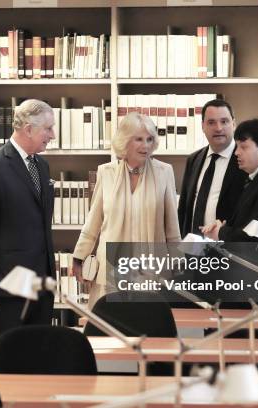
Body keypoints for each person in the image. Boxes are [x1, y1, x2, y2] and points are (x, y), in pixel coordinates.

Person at [0, 99, 56, 345]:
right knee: (8, 355)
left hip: (42, 282)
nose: (53, 135)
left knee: (39, 356)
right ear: (28, 129)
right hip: (8, 284)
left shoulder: (42, 165)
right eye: (48, 129)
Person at [72, 112, 181, 305]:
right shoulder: (106, 172)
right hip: (111, 268)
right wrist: (78, 257)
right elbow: (93, 223)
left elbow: (172, 230)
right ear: (125, 141)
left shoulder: (165, 172)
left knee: (148, 329)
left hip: (151, 270)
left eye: (149, 139)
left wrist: (178, 266)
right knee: (109, 329)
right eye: (138, 139)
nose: (145, 145)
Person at [178, 99, 248, 237]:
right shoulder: (193, 160)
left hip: (227, 251)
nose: (218, 128)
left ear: (233, 124)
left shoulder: (246, 161)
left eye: (224, 121)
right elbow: (184, 209)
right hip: (192, 248)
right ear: (202, 126)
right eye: (211, 122)